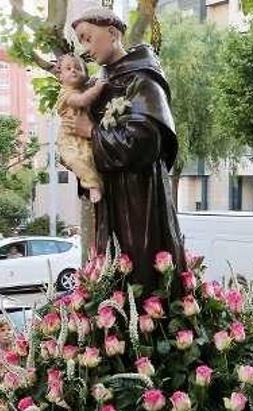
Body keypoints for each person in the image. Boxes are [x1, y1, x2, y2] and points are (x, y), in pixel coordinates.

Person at [67, 8, 186, 286]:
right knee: (112, 271)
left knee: (141, 269)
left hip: (139, 198)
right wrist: (77, 155)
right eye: (81, 41)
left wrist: (92, 134)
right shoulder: (100, 85)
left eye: (88, 38)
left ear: (112, 33)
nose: (85, 48)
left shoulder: (142, 79)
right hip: (111, 198)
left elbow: (145, 140)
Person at [55, 53, 106, 203]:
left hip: (83, 134)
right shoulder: (66, 94)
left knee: (90, 157)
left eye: (78, 68)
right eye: (68, 68)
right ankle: (92, 185)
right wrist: (97, 89)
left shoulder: (82, 88)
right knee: (78, 160)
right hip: (70, 137)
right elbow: (82, 101)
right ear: (60, 77)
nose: (74, 71)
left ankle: (98, 182)